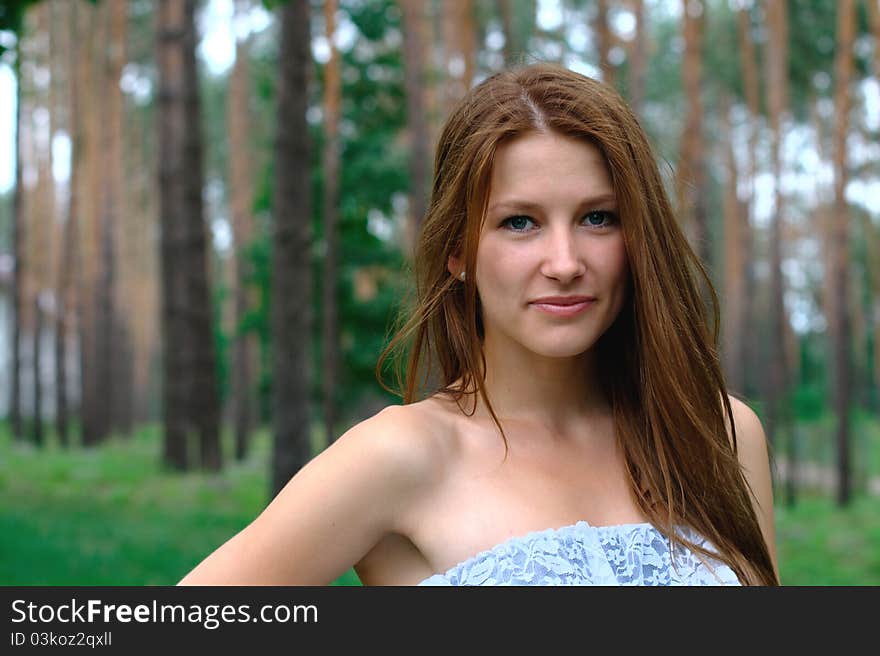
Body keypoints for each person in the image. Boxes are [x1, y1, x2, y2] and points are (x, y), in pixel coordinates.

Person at [179, 63, 779, 587]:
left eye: (598, 217)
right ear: (458, 251)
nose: (566, 263)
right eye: (520, 223)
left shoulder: (720, 434)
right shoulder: (401, 457)